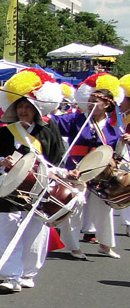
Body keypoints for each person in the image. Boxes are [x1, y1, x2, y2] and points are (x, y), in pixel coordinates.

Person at [0, 70, 67, 291]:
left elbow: (58, 158)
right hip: (8, 190)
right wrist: (3, 162)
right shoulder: (5, 133)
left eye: (27, 107)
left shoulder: (49, 131)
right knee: (7, 230)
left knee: (35, 232)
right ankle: (10, 275)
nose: (23, 111)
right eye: (20, 107)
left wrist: (53, 173)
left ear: (36, 109)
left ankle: (29, 273)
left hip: (39, 188)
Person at [53, 84, 126, 259]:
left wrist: (125, 141)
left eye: (95, 101)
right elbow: (53, 123)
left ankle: (105, 245)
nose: (90, 103)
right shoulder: (75, 120)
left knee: (103, 210)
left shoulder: (113, 128)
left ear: (107, 105)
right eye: (89, 100)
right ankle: (73, 246)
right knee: (74, 207)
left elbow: (117, 152)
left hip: (101, 175)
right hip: (76, 171)